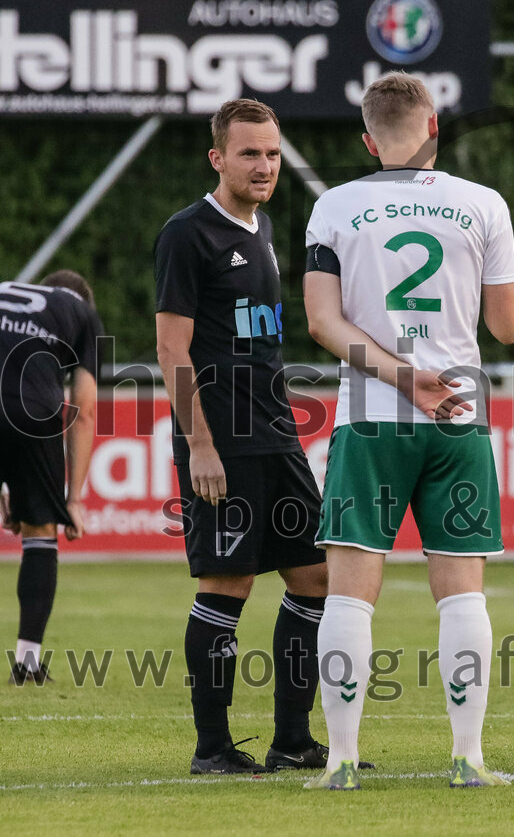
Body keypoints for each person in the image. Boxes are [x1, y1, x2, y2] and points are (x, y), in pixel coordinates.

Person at [302, 72, 514, 791]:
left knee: (347, 596)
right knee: (462, 595)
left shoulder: (334, 206)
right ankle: (467, 758)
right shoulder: (483, 205)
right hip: (458, 418)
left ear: (369, 140)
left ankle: (340, 761)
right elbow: (508, 325)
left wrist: (399, 375)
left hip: (372, 419)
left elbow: (321, 321)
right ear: (434, 126)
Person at [154, 98, 331, 774]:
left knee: (315, 576)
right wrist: (199, 442)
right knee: (227, 585)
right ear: (218, 158)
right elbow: (173, 347)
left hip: (277, 433)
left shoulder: (261, 230)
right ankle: (213, 748)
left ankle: (291, 739)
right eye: (250, 153)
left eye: (273, 153)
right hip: (223, 439)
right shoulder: (187, 233)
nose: (264, 166)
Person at [1, 270, 102, 685]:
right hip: (32, 412)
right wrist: (72, 499)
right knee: (40, 529)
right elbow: (85, 408)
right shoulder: (82, 314)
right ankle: (26, 663)